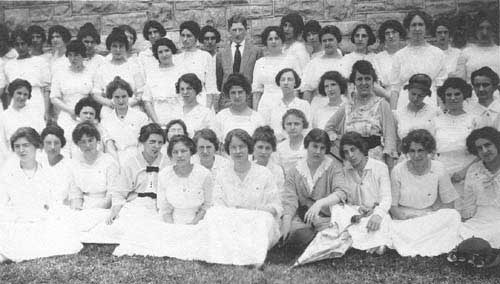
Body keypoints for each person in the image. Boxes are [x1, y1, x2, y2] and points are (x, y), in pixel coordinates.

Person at [0, 127, 82, 263]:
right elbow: (3, 202)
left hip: (41, 218)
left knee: (61, 233)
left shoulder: (47, 171)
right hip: (17, 218)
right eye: (17, 146)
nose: (21, 150)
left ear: (36, 146)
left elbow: (53, 201)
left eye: (26, 145)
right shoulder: (9, 171)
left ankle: (11, 252)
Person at [211, 128, 282, 258]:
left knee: (265, 220)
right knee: (214, 216)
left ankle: (250, 253)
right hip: (232, 221)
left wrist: (251, 211)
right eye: (233, 147)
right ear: (228, 150)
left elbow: (275, 206)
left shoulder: (264, 173)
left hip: (257, 221)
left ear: (249, 148)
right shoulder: (222, 174)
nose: (237, 151)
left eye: (241, 147)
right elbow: (218, 204)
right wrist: (235, 214)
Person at [390, 129, 462, 256]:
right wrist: (405, 218)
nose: (416, 155)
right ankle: (426, 241)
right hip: (404, 219)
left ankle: (416, 240)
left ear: (428, 151)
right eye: (412, 151)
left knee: (453, 215)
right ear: (407, 152)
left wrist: (432, 217)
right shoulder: (398, 170)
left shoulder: (438, 168)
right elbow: (393, 206)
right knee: (392, 226)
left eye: (420, 150)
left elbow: (449, 203)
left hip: (428, 217)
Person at [281, 128, 347, 247]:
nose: (318, 151)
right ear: (307, 146)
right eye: (314, 146)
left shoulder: (333, 167)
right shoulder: (295, 170)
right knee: (294, 232)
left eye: (322, 148)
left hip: (327, 217)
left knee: (333, 233)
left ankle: (318, 237)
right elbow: (289, 200)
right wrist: (286, 223)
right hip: (303, 218)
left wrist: (320, 203)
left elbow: (341, 192)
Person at [325, 60, 397, 167]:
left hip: (375, 163)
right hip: (351, 163)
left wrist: (390, 169)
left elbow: (390, 140)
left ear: (373, 81)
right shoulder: (347, 106)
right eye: (359, 79)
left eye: (367, 79)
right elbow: (328, 128)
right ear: (354, 82)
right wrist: (341, 144)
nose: (363, 83)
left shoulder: (382, 105)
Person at [331, 131, 392, 253]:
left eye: (353, 150)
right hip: (357, 213)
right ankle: (368, 240)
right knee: (337, 209)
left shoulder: (380, 167)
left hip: (377, 212)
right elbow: (347, 201)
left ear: (361, 148)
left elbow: (386, 198)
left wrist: (377, 214)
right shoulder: (345, 171)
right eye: (346, 152)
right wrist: (359, 208)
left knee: (384, 220)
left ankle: (361, 240)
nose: (350, 155)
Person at [106, 123, 170, 226]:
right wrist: (115, 210)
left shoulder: (168, 163)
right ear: (143, 142)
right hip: (136, 206)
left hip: (160, 207)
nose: (156, 146)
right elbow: (119, 193)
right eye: (152, 142)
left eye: (160, 142)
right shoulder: (131, 163)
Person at [68, 121, 121, 243]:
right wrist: (77, 210)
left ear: (97, 141)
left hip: (105, 207)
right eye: (82, 142)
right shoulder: (74, 163)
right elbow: (75, 194)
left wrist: (92, 211)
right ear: (77, 144)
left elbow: (111, 195)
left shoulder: (109, 162)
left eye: (90, 140)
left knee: (108, 227)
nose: (87, 145)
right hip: (84, 206)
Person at [390, 10, 447, 109]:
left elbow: (440, 87)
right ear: (408, 28)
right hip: (404, 105)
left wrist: (441, 112)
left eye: (420, 25)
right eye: (413, 25)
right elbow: (395, 89)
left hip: (430, 104)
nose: (417, 29)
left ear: (426, 28)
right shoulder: (399, 55)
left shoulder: (438, 54)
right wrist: (393, 114)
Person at [158, 135, 213, 224]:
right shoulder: (164, 174)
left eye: (183, 151)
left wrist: (193, 224)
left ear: (191, 152)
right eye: (175, 152)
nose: (179, 155)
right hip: (172, 223)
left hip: (200, 221)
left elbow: (207, 205)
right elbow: (165, 209)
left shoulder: (204, 174)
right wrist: (173, 227)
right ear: (171, 154)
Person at [434, 77, 477, 189]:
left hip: (467, 173)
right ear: (444, 97)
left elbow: (480, 152)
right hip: (441, 174)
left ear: (464, 95)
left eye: (457, 94)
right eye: (448, 95)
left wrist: (463, 173)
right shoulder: (436, 121)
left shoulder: (474, 120)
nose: (453, 98)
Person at [50, 40, 95, 145]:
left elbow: (94, 96)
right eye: (70, 55)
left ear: (83, 55)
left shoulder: (91, 72)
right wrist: (70, 110)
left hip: (86, 115)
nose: (72, 59)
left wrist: (85, 113)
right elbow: (54, 98)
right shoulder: (60, 73)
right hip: (67, 113)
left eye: (76, 55)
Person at [461, 127, 500, 248]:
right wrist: (466, 219)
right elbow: (469, 201)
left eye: (488, 145)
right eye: (479, 148)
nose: (484, 150)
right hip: (480, 218)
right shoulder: (474, 170)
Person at [216, 14, 263, 109]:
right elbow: (219, 79)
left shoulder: (256, 51)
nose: (237, 33)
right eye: (234, 30)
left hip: (248, 101)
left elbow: (258, 80)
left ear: (246, 30)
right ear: (229, 30)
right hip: (227, 102)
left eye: (240, 29)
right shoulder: (221, 53)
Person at [4, 28, 51, 123]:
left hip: (36, 101)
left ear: (28, 44)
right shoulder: (9, 65)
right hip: (16, 102)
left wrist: (46, 111)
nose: (20, 47)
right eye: (17, 44)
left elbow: (46, 89)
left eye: (23, 43)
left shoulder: (40, 62)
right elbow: (8, 91)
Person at [92, 28, 144, 110]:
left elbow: (140, 92)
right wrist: (110, 103)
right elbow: (96, 94)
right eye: (114, 46)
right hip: (110, 109)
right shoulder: (102, 68)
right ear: (110, 47)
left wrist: (127, 104)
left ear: (126, 47)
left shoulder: (133, 67)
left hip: (131, 108)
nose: (118, 50)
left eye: (121, 46)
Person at [101, 77, 148, 164]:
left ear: (129, 96)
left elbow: (142, 144)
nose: (121, 100)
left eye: (124, 96)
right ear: (111, 97)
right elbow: (109, 146)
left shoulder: (141, 117)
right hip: (115, 159)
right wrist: (118, 164)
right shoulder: (106, 120)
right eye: (117, 97)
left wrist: (138, 162)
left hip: (136, 157)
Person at [252, 26, 300, 111]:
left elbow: (296, 89)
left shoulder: (292, 60)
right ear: (266, 42)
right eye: (270, 39)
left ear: (282, 40)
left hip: (286, 104)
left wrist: (294, 109)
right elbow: (257, 91)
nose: (273, 42)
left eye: (276, 38)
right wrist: (255, 115)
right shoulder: (260, 63)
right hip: (266, 105)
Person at [174, 21, 217, 108]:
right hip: (182, 104)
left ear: (196, 37)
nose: (185, 39)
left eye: (189, 36)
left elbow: (211, 87)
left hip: (201, 102)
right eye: (183, 35)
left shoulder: (205, 56)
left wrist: (206, 110)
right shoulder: (176, 59)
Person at [0, 79, 44, 164]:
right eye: (19, 93)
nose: (22, 97)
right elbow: (2, 142)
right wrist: (10, 160)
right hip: (12, 158)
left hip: (35, 158)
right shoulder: (4, 116)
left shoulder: (36, 113)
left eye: (25, 94)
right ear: (12, 93)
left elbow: (41, 137)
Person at [260, 68, 310, 141]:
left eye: (289, 79)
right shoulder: (272, 105)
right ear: (279, 83)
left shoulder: (304, 105)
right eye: (283, 80)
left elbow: (308, 129)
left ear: (295, 83)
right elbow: (266, 129)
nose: (286, 82)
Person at [142, 38, 183, 126]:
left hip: (178, 116)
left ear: (172, 51)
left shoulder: (181, 71)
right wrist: (157, 122)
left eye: (167, 50)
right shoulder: (152, 73)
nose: (164, 55)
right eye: (160, 52)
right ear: (156, 54)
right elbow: (147, 101)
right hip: (158, 117)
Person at [214, 73, 264, 141]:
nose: (237, 96)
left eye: (240, 92)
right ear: (228, 94)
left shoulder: (257, 118)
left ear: (246, 93)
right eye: (233, 93)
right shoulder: (221, 117)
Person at [301, 25, 344, 104]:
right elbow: (307, 91)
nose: (327, 43)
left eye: (330, 40)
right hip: (319, 105)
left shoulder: (346, 61)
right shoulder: (314, 63)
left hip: (343, 105)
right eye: (324, 41)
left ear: (337, 40)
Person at [456, 11, 500, 88]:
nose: (484, 32)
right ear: (475, 30)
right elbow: (460, 82)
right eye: (481, 28)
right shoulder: (466, 53)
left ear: (493, 31)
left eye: (488, 28)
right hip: (473, 98)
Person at [394, 73, 441, 140]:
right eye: (413, 94)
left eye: (420, 95)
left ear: (425, 95)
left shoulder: (434, 113)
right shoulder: (398, 114)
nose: (415, 98)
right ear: (408, 91)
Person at [39, 124, 71, 207]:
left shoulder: (69, 165)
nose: (52, 147)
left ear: (62, 144)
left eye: (56, 143)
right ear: (42, 144)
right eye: (48, 143)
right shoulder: (37, 163)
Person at [373, 20, 405, 92]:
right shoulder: (378, 58)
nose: (391, 36)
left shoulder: (407, 55)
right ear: (384, 37)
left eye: (394, 32)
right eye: (387, 33)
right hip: (386, 95)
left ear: (400, 34)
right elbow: (378, 83)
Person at [252, 126, 285, 192]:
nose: (263, 152)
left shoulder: (277, 170)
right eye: (260, 147)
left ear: (272, 150)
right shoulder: (245, 167)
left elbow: (280, 195)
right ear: (253, 147)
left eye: (267, 148)